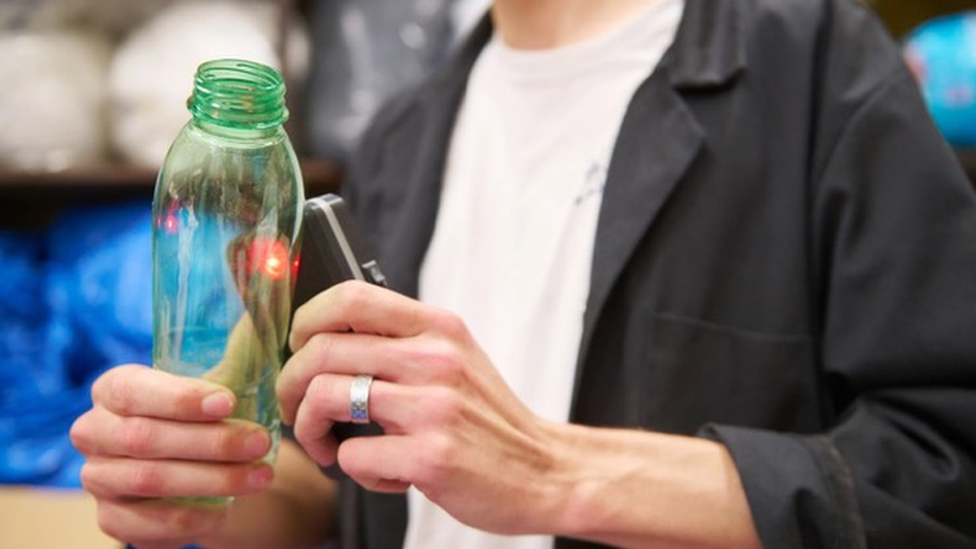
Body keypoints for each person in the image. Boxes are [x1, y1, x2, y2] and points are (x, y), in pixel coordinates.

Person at [69, 0, 976, 548]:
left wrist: (551, 468)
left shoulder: (819, 69)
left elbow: (945, 471)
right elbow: (342, 484)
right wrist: (201, 491)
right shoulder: (401, 137)